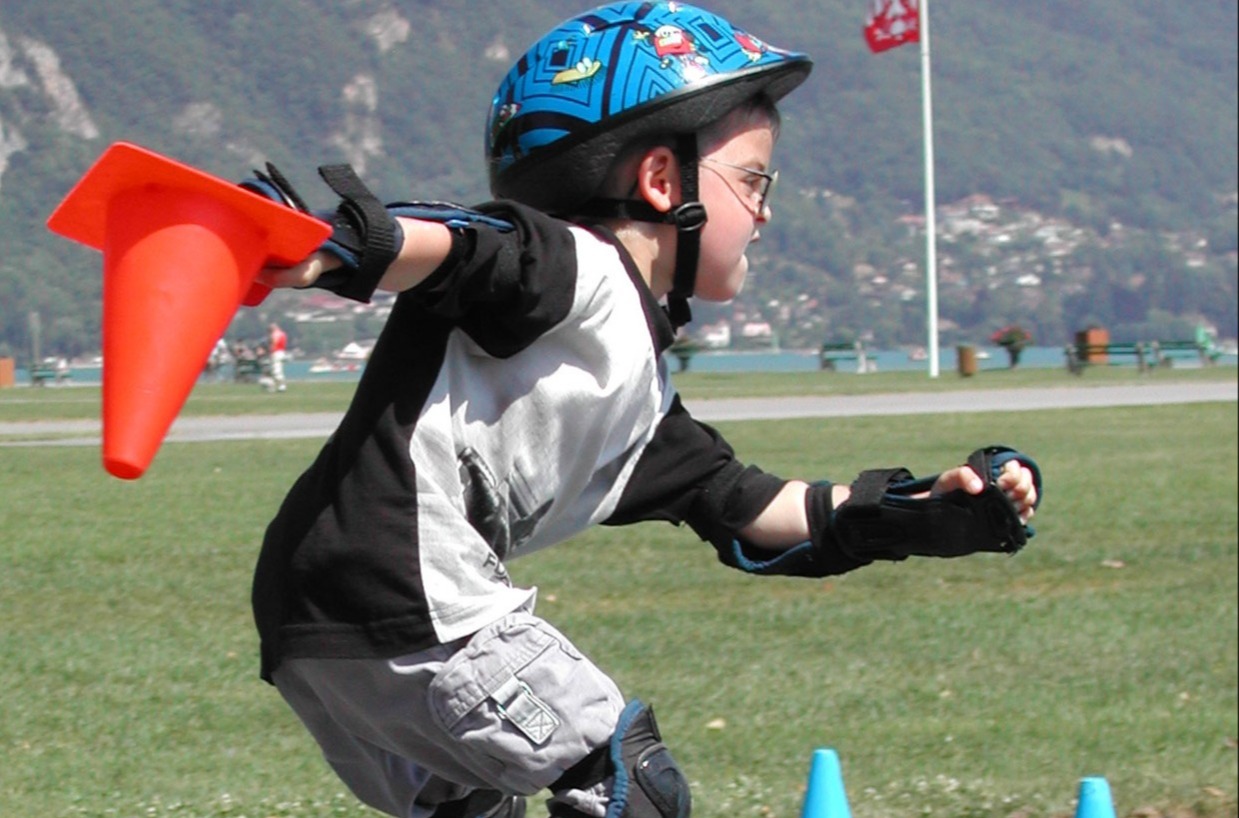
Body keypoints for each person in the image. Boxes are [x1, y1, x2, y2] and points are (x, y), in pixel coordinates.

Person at [244, 4, 1042, 817]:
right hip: (403, 593)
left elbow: (748, 509)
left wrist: (917, 514)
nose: (766, 210)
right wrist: (341, 247)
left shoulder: (635, 393)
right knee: (628, 786)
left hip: (320, 616)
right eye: (755, 180)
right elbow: (473, 246)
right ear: (662, 181)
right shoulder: (576, 269)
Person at [267, 322, 288, 392]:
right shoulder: (283, 334)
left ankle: (282, 385)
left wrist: (271, 352)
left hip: (276, 353)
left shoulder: (275, 334)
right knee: (279, 370)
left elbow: (274, 343)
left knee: (276, 371)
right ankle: (276, 386)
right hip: (282, 352)